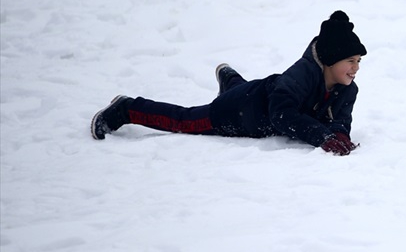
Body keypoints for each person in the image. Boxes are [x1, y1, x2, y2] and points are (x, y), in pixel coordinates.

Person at [90, 10, 367, 155]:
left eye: (358, 61)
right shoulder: (301, 75)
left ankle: (230, 80)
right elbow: (282, 115)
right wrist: (323, 137)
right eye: (350, 61)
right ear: (330, 60)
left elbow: (340, 121)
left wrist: (339, 135)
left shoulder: (347, 89)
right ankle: (126, 109)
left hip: (255, 93)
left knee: (242, 91)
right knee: (184, 121)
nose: (355, 68)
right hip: (237, 112)